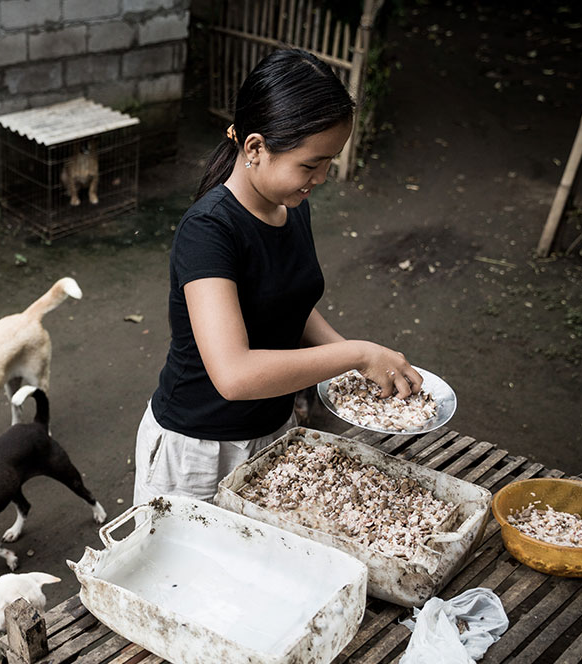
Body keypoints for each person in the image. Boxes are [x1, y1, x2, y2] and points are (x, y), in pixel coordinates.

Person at [133, 47, 422, 506]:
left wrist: (357, 364)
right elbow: (234, 374)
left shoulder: (291, 207)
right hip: (199, 452)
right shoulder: (208, 230)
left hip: (273, 432)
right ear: (255, 147)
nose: (322, 178)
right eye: (311, 165)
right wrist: (355, 354)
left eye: (330, 162)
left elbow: (291, 303)